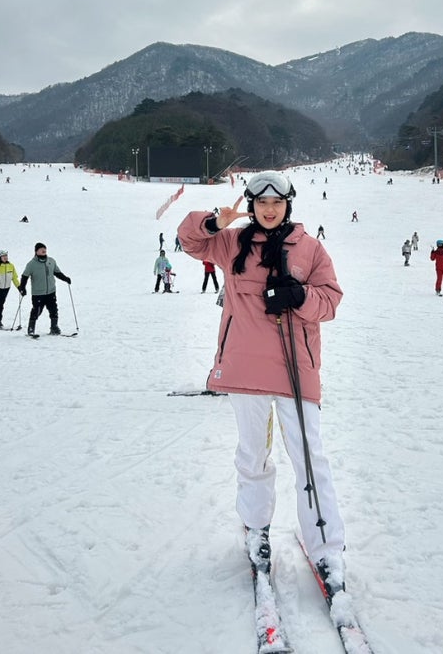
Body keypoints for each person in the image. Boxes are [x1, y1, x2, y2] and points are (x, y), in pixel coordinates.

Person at [177, 170, 347, 596]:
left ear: (288, 205)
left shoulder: (309, 248)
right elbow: (188, 239)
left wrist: (300, 296)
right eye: (261, 203)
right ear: (251, 206)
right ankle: (256, 530)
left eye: (277, 203)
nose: (269, 210)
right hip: (246, 369)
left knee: (309, 457)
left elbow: (330, 302)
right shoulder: (232, 242)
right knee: (253, 456)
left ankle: (325, 546)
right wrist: (214, 220)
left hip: (296, 371)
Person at [18, 243, 71, 335]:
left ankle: (54, 327)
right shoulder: (31, 264)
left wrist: (65, 278)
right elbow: (25, 276)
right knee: (37, 310)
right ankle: (31, 329)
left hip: (51, 291)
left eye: (45, 249)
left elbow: (57, 272)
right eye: (41, 249)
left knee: (53, 309)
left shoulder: (51, 261)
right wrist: (22, 288)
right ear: (36, 251)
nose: (44, 250)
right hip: (38, 293)